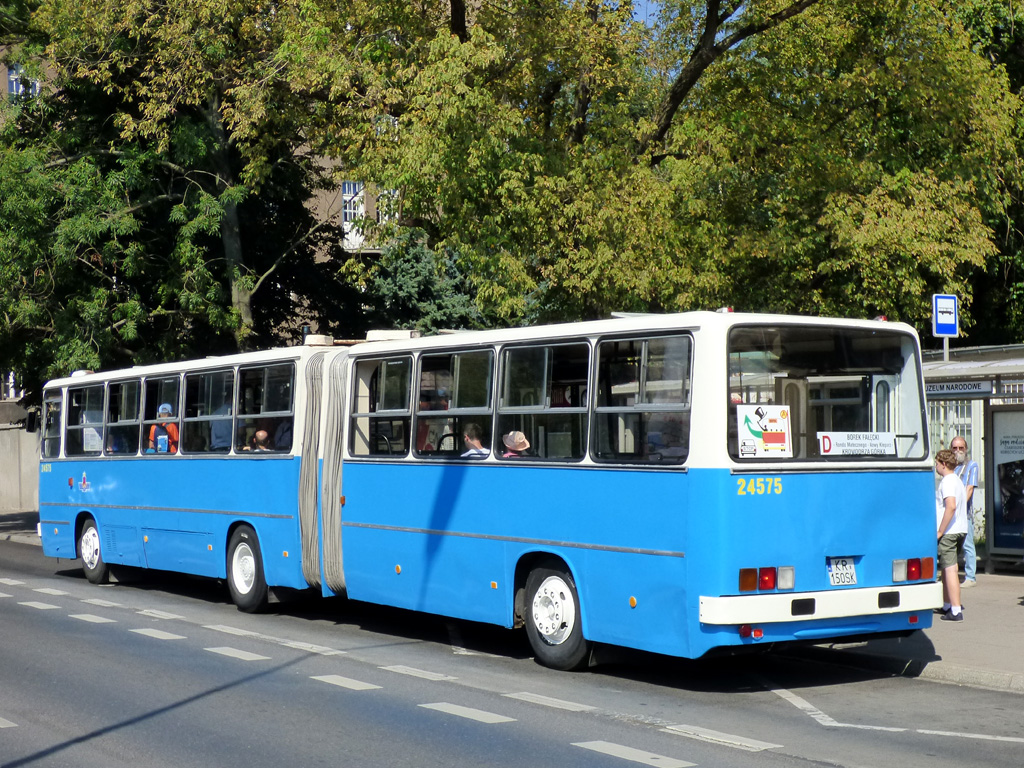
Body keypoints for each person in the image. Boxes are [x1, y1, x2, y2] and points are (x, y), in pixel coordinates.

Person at [935, 449, 968, 621]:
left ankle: (955, 610)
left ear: (944, 464)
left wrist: (940, 530)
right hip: (961, 529)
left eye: (937, 463)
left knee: (949, 570)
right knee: (950, 567)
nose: (936, 466)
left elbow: (951, 506)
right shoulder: (957, 480)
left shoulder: (947, 481)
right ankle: (947, 604)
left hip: (949, 531)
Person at [951, 435, 979, 588]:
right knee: (951, 545)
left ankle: (970, 577)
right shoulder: (950, 466)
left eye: (961, 448)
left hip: (963, 513)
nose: (958, 451)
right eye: (955, 448)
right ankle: (951, 574)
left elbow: (969, 489)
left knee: (967, 545)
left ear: (966, 449)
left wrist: (959, 507)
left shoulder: (971, 466)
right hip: (950, 512)